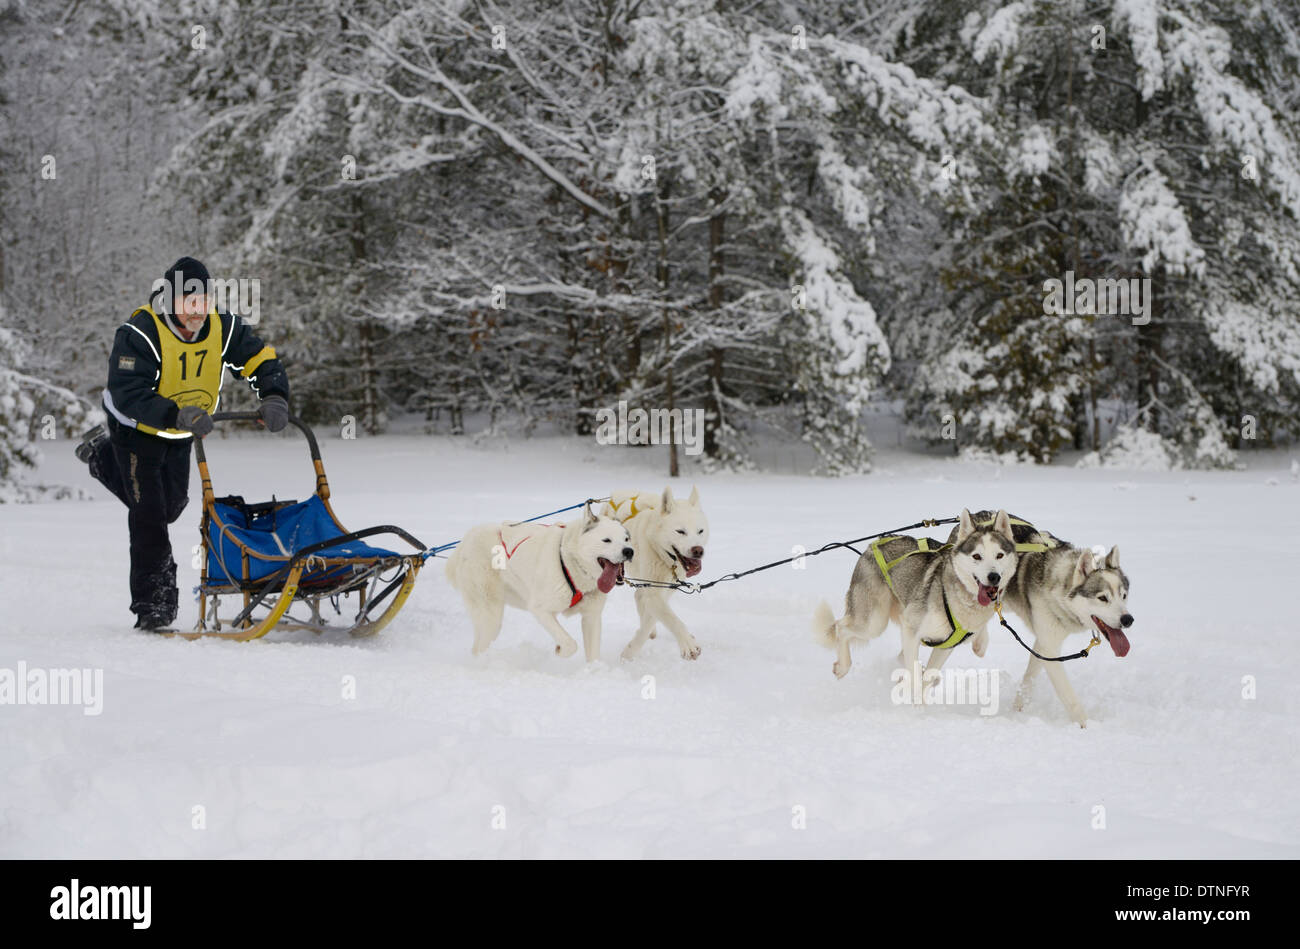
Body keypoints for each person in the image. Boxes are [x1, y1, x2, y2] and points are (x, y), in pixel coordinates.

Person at [76, 257, 291, 630]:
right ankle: (153, 606)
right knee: (150, 517)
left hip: (182, 430)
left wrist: (274, 395)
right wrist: (175, 413)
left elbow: (258, 356)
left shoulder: (221, 326)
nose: (197, 312)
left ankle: (99, 456)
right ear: (170, 299)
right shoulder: (139, 333)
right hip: (136, 430)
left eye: (203, 302)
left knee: (173, 505)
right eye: (189, 303)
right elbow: (129, 392)